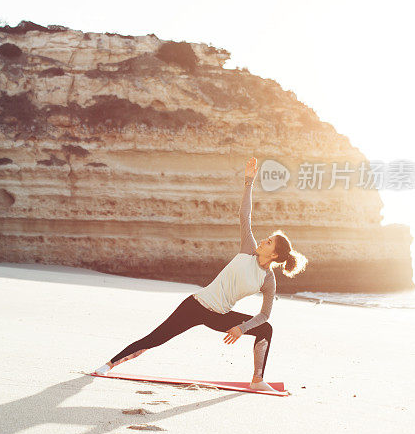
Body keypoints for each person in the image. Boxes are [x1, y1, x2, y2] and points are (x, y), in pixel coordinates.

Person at [93, 157, 308, 391]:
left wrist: (241, 328)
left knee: (266, 329)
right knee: (157, 338)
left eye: (268, 242)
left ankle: (257, 380)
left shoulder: (268, 280)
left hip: (219, 316)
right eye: (266, 238)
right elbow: (244, 215)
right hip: (195, 306)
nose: (263, 240)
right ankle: (109, 364)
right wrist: (249, 181)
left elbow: (264, 314)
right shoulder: (248, 248)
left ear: (274, 255)